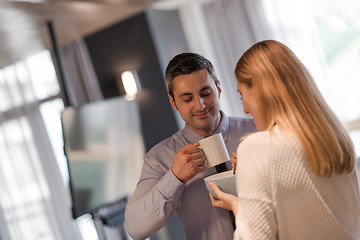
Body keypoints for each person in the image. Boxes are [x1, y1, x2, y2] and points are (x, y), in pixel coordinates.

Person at [209, 40, 360, 239]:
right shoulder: (334, 137)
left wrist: (239, 207)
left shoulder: (256, 148)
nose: (245, 109)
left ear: (262, 92)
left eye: (242, 95)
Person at [125, 53, 257, 240]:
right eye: (187, 99)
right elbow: (135, 228)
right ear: (173, 103)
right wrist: (174, 178)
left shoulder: (257, 130)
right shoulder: (158, 159)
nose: (200, 105)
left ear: (218, 89)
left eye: (205, 93)